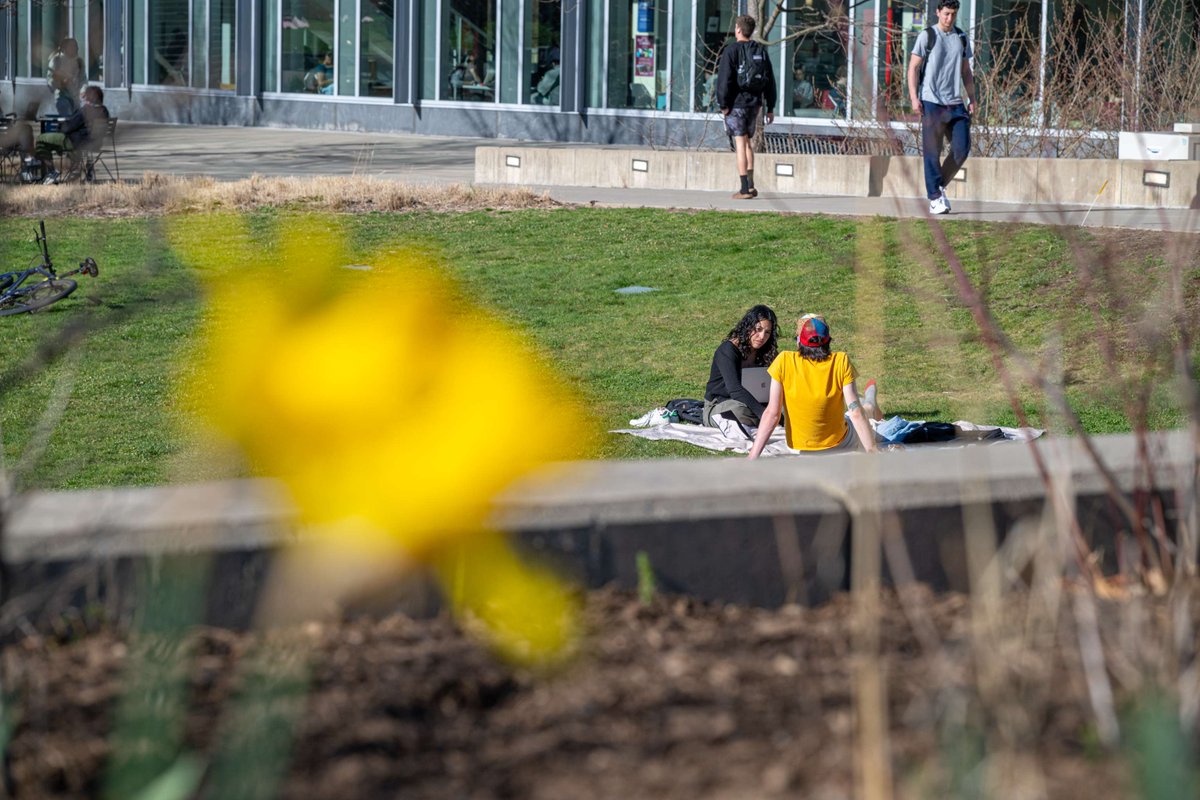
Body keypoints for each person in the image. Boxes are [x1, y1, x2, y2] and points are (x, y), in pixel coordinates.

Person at [747, 314, 881, 458]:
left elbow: (772, 414)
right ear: (828, 341)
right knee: (864, 411)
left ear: (799, 342)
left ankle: (870, 399)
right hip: (839, 444)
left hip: (799, 448)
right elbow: (855, 412)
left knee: (856, 413)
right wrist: (873, 451)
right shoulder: (840, 360)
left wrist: (751, 457)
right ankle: (871, 397)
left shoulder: (783, 361)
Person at [907, 0, 976, 216]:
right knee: (932, 151)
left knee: (961, 149)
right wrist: (913, 98)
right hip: (931, 101)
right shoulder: (927, 36)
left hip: (955, 103)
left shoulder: (962, 38)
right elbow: (913, 68)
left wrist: (972, 98)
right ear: (938, 12)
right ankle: (935, 198)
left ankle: (938, 188)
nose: (949, 18)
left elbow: (966, 72)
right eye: (946, 14)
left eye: (953, 14)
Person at [716, 15, 776, 200]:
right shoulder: (760, 50)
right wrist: (770, 106)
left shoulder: (731, 50)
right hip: (755, 104)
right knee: (748, 142)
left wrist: (723, 104)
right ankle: (750, 185)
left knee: (740, 144)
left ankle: (744, 189)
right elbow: (770, 80)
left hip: (737, 104)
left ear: (739, 30)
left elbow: (724, 80)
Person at [704, 304, 780, 431]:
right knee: (739, 410)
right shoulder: (728, 350)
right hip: (722, 403)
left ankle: (765, 420)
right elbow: (735, 389)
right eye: (758, 329)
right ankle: (765, 420)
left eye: (767, 332)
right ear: (748, 327)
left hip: (757, 402)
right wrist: (764, 414)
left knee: (786, 408)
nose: (762, 337)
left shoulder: (767, 352)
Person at [35, 85, 110, 183]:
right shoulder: (104, 111)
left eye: (85, 96)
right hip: (94, 144)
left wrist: (59, 128)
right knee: (59, 142)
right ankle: (76, 169)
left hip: (75, 142)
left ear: (89, 98)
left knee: (41, 139)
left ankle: (51, 171)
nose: (83, 99)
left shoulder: (85, 111)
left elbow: (68, 127)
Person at [47, 38, 86, 117]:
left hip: (76, 98)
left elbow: (83, 79)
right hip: (62, 97)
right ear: (65, 48)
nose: (76, 49)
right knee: (68, 118)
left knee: (78, 120)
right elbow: (50, 82)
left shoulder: (79, 61)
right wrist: (60, 83)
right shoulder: (56, 60)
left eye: (76, 46)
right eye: (72, 46)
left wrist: (83, 90)